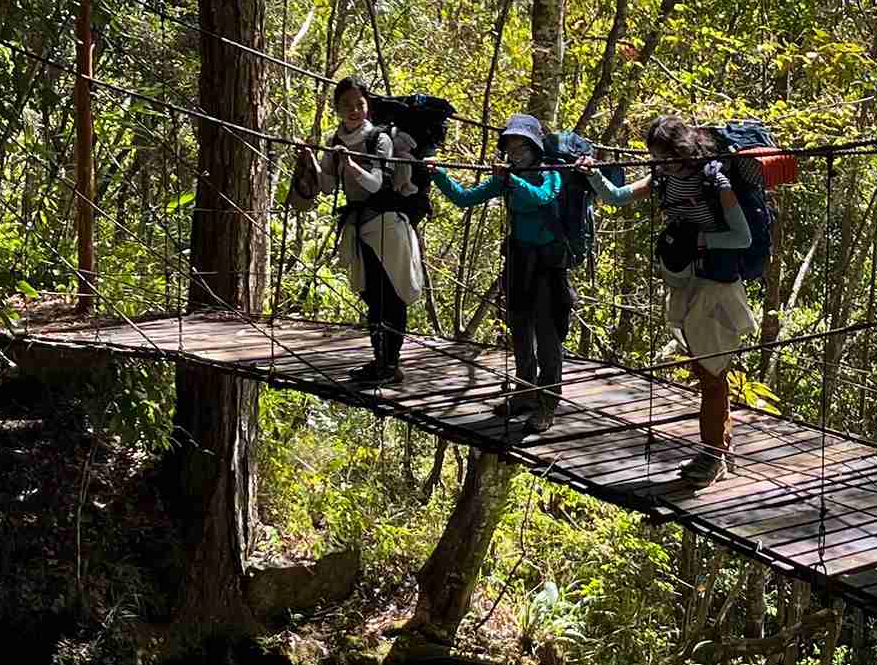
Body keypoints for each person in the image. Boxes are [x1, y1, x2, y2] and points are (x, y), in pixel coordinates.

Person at [579, 116, 753, 486]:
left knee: (711, 376)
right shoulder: (664, 177)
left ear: (684, 149)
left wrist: (698, 241)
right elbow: (617, 196)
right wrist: (593, 174)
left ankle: (713, 456)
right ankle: (718, 451)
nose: (661, 164)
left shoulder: (715, 181)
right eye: (656, 157)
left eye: (667, 156)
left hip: (716, 288)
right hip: (686, 284)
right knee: (707, 373)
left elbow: (743, 237)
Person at [429, 114, 573, 435]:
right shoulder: (506, 178)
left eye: (521, 147)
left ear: (535, 147)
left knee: (547, 335)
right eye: (510, 148)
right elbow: (465, 198)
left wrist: (511, 181)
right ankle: (524, 393)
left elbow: (541, 197)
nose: (515, 154)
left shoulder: (551, 173)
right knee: (520, 329)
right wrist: (438, 174)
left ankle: (547, 402)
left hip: (549, 266)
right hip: (519, 262)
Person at [308, 75, 424, 386]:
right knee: (372, 296)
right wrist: (311, 161)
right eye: (346, 104)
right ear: (336, 108)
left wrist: (350, 164)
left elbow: (375, 184)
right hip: (360, 227)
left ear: (367, 106)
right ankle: (381, 362)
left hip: (387, 226)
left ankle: (390, 364)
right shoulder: (335, 141)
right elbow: (327, 185)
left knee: (392, 296)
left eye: (359, 104)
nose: (354, 110)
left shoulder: (379, 139)